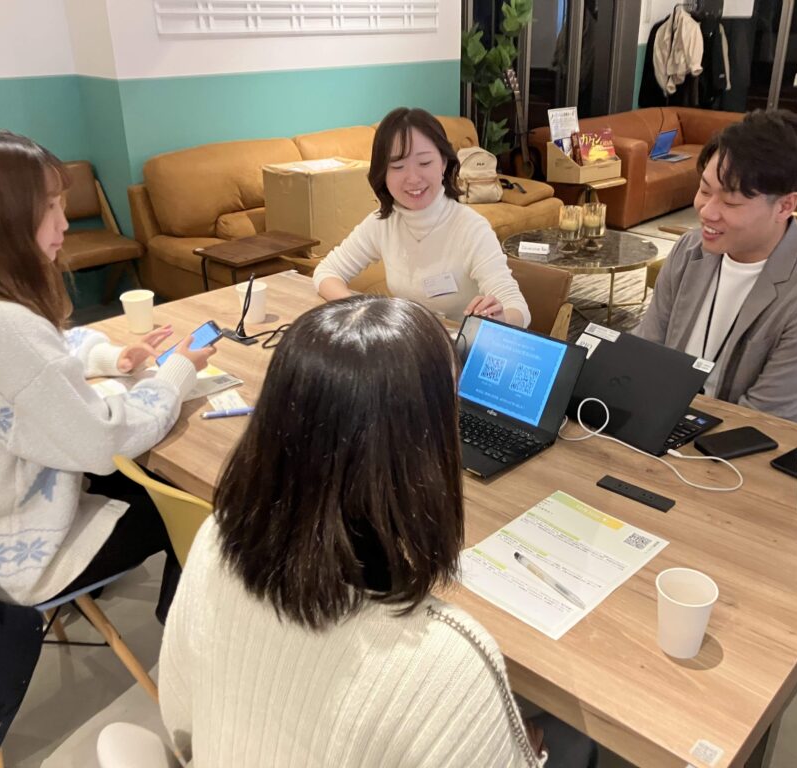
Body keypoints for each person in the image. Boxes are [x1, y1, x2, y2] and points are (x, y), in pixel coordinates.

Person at [159, 296, 596, 767]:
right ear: (427, 450)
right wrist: (524, 747)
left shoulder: (214, 540)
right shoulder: (449, 658)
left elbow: (178, 717)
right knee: (575, 743)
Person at [0, 129, 215, 616]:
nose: (63, 224)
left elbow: (50, 350)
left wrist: (111, 358)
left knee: (141, 474)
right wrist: (177, 373)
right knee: (194, 507)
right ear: (0, 217)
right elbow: (103, 442)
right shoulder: (2, 325)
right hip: (11, 556)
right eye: (49, 207)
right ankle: (183, 637)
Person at [635, 110, 797, 430]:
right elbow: (646, 350)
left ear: (785, 205)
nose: (707, 212)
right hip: (666, 418)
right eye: (705, 190)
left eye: (731, 203)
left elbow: (766, 419)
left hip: (756, 443)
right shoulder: (690, 250)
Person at [312, 107, 531, 328]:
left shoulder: (471, 228)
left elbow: (518, 308)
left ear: (443, 163)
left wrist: (502, 318)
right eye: (397, 166)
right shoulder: (383, 223)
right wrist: (361, 311)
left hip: (459, 344)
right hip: (409, 340)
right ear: (383, 173)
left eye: (424, 163)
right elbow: (327, 272)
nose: (413, 178)